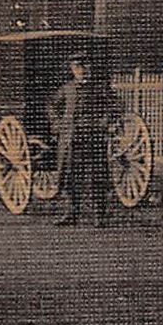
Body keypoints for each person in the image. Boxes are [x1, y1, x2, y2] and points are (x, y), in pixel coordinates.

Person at [49, 52, 119, 227]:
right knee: (70, 175)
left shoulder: (100, 88)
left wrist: (105, 120)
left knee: (97, 175)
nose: (82, 70)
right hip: (71, 138)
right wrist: (58, 123)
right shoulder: (67, 89)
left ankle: (99, 215)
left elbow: (115, 106)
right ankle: (72, 212)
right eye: (78, 67)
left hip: (93, 137)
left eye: (86, 66)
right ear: (72, 69)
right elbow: (52, 106)